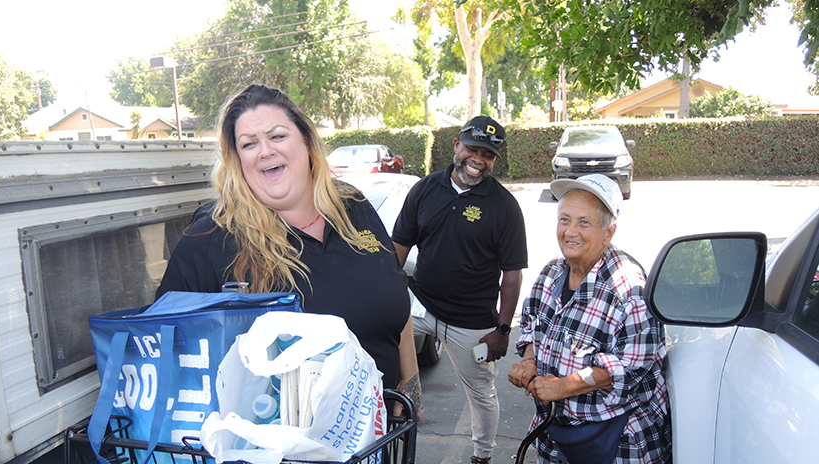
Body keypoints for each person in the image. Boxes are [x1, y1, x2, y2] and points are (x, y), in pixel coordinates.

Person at [155, 84, 422, 418]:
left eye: (277, 136)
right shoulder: (211, 238)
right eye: (249, 144)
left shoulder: (352, 205)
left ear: (307, 142)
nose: (264, 151)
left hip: (377, 439)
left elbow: (395, 292)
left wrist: (410, 384)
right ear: (238, 161)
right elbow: (166, 352)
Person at [392, 116, 527, 464]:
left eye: (488, 154)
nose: (478, 159)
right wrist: (385, 301)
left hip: (471, 322)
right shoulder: (425, 189)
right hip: (420, 307)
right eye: (472, 149)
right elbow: (399, 249)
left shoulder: (504, 207)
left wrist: (502, 329)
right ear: (456, 145)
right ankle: (384, 434)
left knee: (482, 394)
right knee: (379, 354)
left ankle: (482, 457)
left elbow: (511, 275)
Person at [508, 174, 670, 464]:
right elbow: (532, 326)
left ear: (609, 232)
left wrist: (564, 386)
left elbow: (633, 367)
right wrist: (530, 360)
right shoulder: (550, 273)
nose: (570, 231)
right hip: (556, 434)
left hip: (615, 441)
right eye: (564, 219)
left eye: (584, 222)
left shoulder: (629, 288)